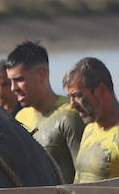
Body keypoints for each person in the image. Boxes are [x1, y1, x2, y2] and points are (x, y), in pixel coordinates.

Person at [7, 40, 85, 183]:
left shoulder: (69, 115)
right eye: (10, 81)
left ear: (42, 75)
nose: (13, 88)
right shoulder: (20, 117)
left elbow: (84, 177)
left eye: (19, 79)